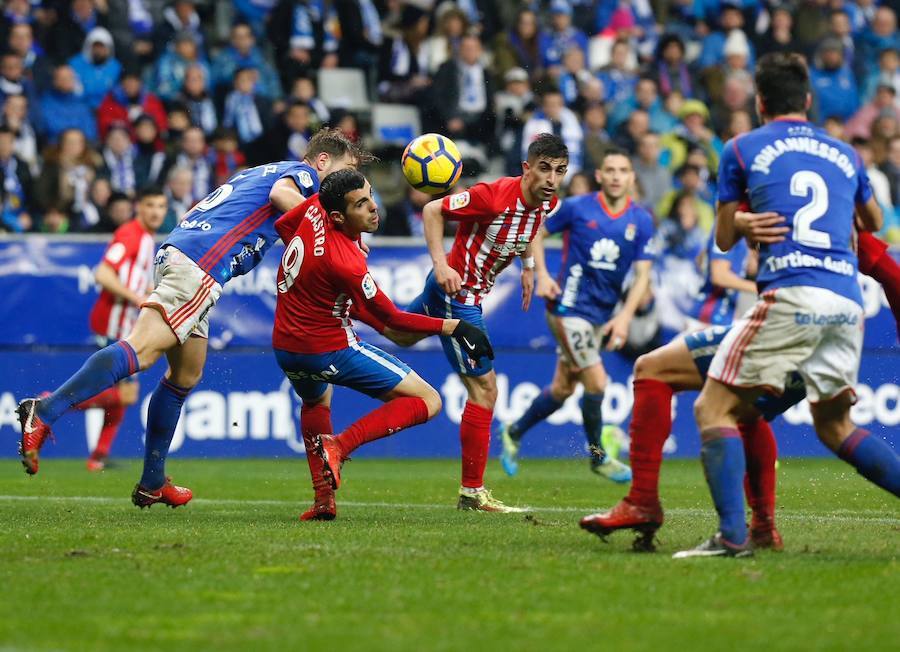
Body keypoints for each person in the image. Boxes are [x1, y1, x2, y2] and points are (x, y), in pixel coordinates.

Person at [16, 129, 365, 509]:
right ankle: (45, 411)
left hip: (181, 255)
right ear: (323, 161)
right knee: (142, 351)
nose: (348, 185)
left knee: (185, 374)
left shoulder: (255, 172)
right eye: (346, 171)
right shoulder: (303, 176)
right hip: (200, 264)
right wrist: (329, 230)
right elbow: (283, 197)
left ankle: (152, 481)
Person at [676, 52, 893, 559]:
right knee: (836, 425)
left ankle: (732, 538)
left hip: (791, 291)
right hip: (846, 299)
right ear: (809, 101)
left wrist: (748, 223)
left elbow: (726, 238)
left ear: (759, 102)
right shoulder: (845, 152)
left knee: (713, 407)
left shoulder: (741, 147)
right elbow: (875, 219)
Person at [580, 215, 900, 552]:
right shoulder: (837, 203)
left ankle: (647, 503)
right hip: (841, 327)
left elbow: (724, 240)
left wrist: (739, 220)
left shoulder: (770, 186)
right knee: (787, 418)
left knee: (654, 370)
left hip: (789, 317)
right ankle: (762, 527)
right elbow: (886, 264)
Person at [271, 170, 492, 520]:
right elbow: (392, 320)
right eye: (362, 204)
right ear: (339, 216)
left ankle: (324, 501)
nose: (374, 208)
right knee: (428, 400)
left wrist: (320, 280)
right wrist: (452, 326)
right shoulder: (346, 261)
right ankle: (339, 446)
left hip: (286, 347)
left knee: (315, 401)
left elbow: (284, 226)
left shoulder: (316, 206)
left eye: (371, 195)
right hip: (328, 347)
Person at [403, 134, 569, 512]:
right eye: (544, 169)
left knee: (400, 332)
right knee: (485, 391)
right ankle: (472, 493)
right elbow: (433, 212)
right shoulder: (491, 196)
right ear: (526, 168)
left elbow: (531, 228)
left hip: (460, 294)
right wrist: (441, 265)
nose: (551, 179)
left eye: (559, 171)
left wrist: (528, 266)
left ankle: (344, 323)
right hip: (458, 295)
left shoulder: (548, 201)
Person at [497, 148, 654, 481]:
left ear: (631, 177)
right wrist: (543, 275)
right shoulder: (578, 208)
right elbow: (536, 231)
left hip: (600, 314)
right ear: (599, 176)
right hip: (567, 308)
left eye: (622, 170)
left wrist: (624, 317)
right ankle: (598, 456)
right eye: (609, 169)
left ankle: (514, 431)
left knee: (563, 388)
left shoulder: (640, 220)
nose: (615, 176)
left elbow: (643, 276)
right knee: (597, 381)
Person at [75, 187, 167, 470]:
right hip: (112, 326)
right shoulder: (130, 234)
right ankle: (45, 406)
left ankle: (97, 458)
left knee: (121, 399)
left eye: (161, 206)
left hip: (126, 328)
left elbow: (136, 281)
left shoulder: (147, 239)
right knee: (123, 395)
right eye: (150, 205)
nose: (156, 211)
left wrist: (149, 293)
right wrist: (136, 297)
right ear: (139, 207)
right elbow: (102, 273)